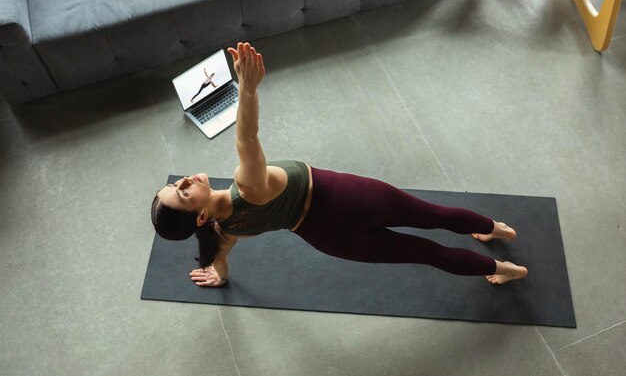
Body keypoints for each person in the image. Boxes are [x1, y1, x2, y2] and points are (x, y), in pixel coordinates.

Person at [151, 42, 528, 288]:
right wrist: (248, 90)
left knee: (425, 254)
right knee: (433, 214)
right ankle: (495, 229)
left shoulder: (224, 229)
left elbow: (221, 254)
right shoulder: (246, 186)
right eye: (183, 192)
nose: (184, 180)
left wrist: (219, 274)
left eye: (176, 184)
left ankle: (499, 271)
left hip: (333, 239)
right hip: (353, 199)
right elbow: (246, 139)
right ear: (200, 216)